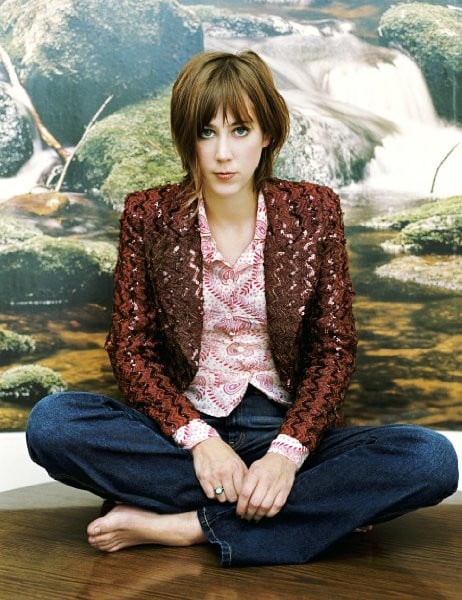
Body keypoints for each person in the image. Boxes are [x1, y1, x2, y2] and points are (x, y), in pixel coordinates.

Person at [26, 50, 458, 567]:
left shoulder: (314, 210)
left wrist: (287, 454)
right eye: (206, 133)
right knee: (54, 424)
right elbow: (131, 349)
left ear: (267, 133)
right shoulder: (149, 214)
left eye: (240, 130)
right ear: (187, 138)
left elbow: (333, 350)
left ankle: (189, 526)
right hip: (183, 434)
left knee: (431, 459)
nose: (223, 154)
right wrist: (199, 441)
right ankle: (307, 511)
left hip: (286, 428)